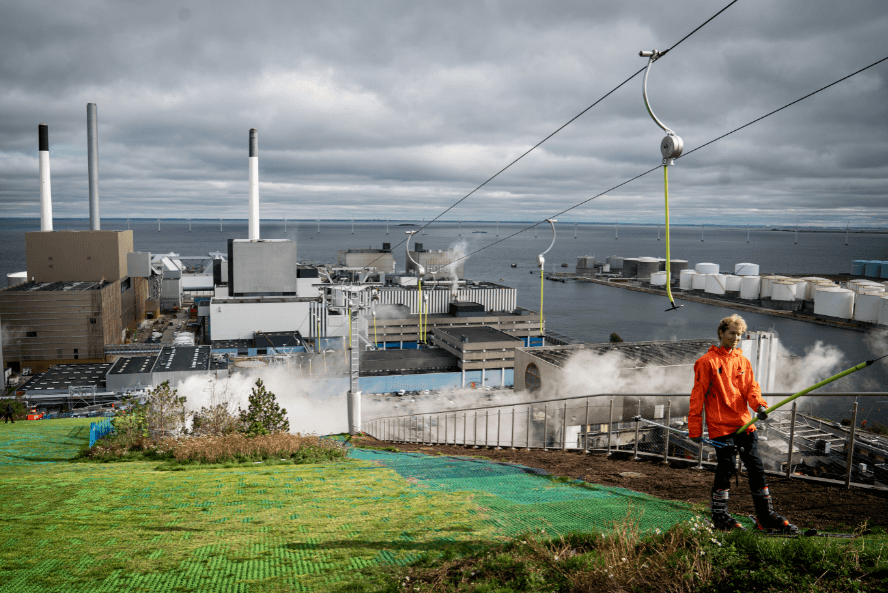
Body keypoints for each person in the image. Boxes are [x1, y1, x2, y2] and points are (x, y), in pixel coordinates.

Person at [689, 314, 796, 532]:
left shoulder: (742, 361)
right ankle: (720, 515)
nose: (736, 338)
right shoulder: (706, 362)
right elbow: (697, 396)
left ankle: (765, 515)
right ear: (721, 333)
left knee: (756, 467)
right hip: (720, 426)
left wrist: (760, 406)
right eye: (732, 333)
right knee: (726, 467)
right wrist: (695, 428)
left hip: (744, 423)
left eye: (739, 334)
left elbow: (750, 388)